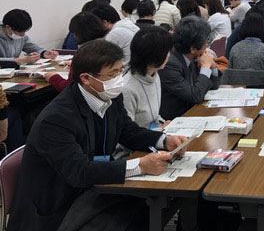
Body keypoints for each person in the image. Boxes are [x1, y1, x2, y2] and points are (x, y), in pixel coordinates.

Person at [8, 40, 187, 231]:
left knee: (148, 208)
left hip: (94, 189)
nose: (119, 79)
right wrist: (140, 165)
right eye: (112, 74)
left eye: (120, 71)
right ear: (86, 78)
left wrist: (164, 141)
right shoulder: (56, 119)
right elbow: (79, 172)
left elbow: (127, 131)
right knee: (139, 213)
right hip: (59, 206)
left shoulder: (109, 95)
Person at [159, 16, 220, 120]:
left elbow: (213, 87)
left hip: (192, 112)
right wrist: (205, 67)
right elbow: (195, 96)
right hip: (175, 119)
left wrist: (212, 67)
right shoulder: (170, 64)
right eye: (206, 42)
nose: (207, 45)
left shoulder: (193, 56)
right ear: (193, 48)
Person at [123, 26, 173, 129]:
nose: (169, 55)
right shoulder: (127, 88)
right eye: (166, 51)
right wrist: (159, 130)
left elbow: (153, 116)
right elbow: (127, 134)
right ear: (154, 56)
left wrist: (164, 124)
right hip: (141, 142)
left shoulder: (154, 74)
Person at [45, 12, 108, 92]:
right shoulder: (107, 47)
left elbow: (68, 88)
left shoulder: (84, 55)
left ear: (78, 34)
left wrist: (53, 77)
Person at [92, 4, 139, 71]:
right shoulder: (129, 25)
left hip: (124, 72)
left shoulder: (115, 33)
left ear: (104, 22)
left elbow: (103, 59)